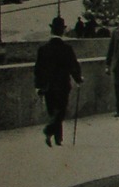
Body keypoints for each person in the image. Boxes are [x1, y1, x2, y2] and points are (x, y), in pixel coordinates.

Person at [33, 16, 82, 146]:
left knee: (53, 111)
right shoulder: (67, 48)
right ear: (62, 31)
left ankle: (57, 138)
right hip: (63, 85)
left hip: (48, 86)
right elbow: (74, 66)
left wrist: (38, 86)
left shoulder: (43, 49)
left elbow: (38, 69)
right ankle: (50, 132)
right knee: (60, 112)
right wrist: (78, 79)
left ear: (51, 31)